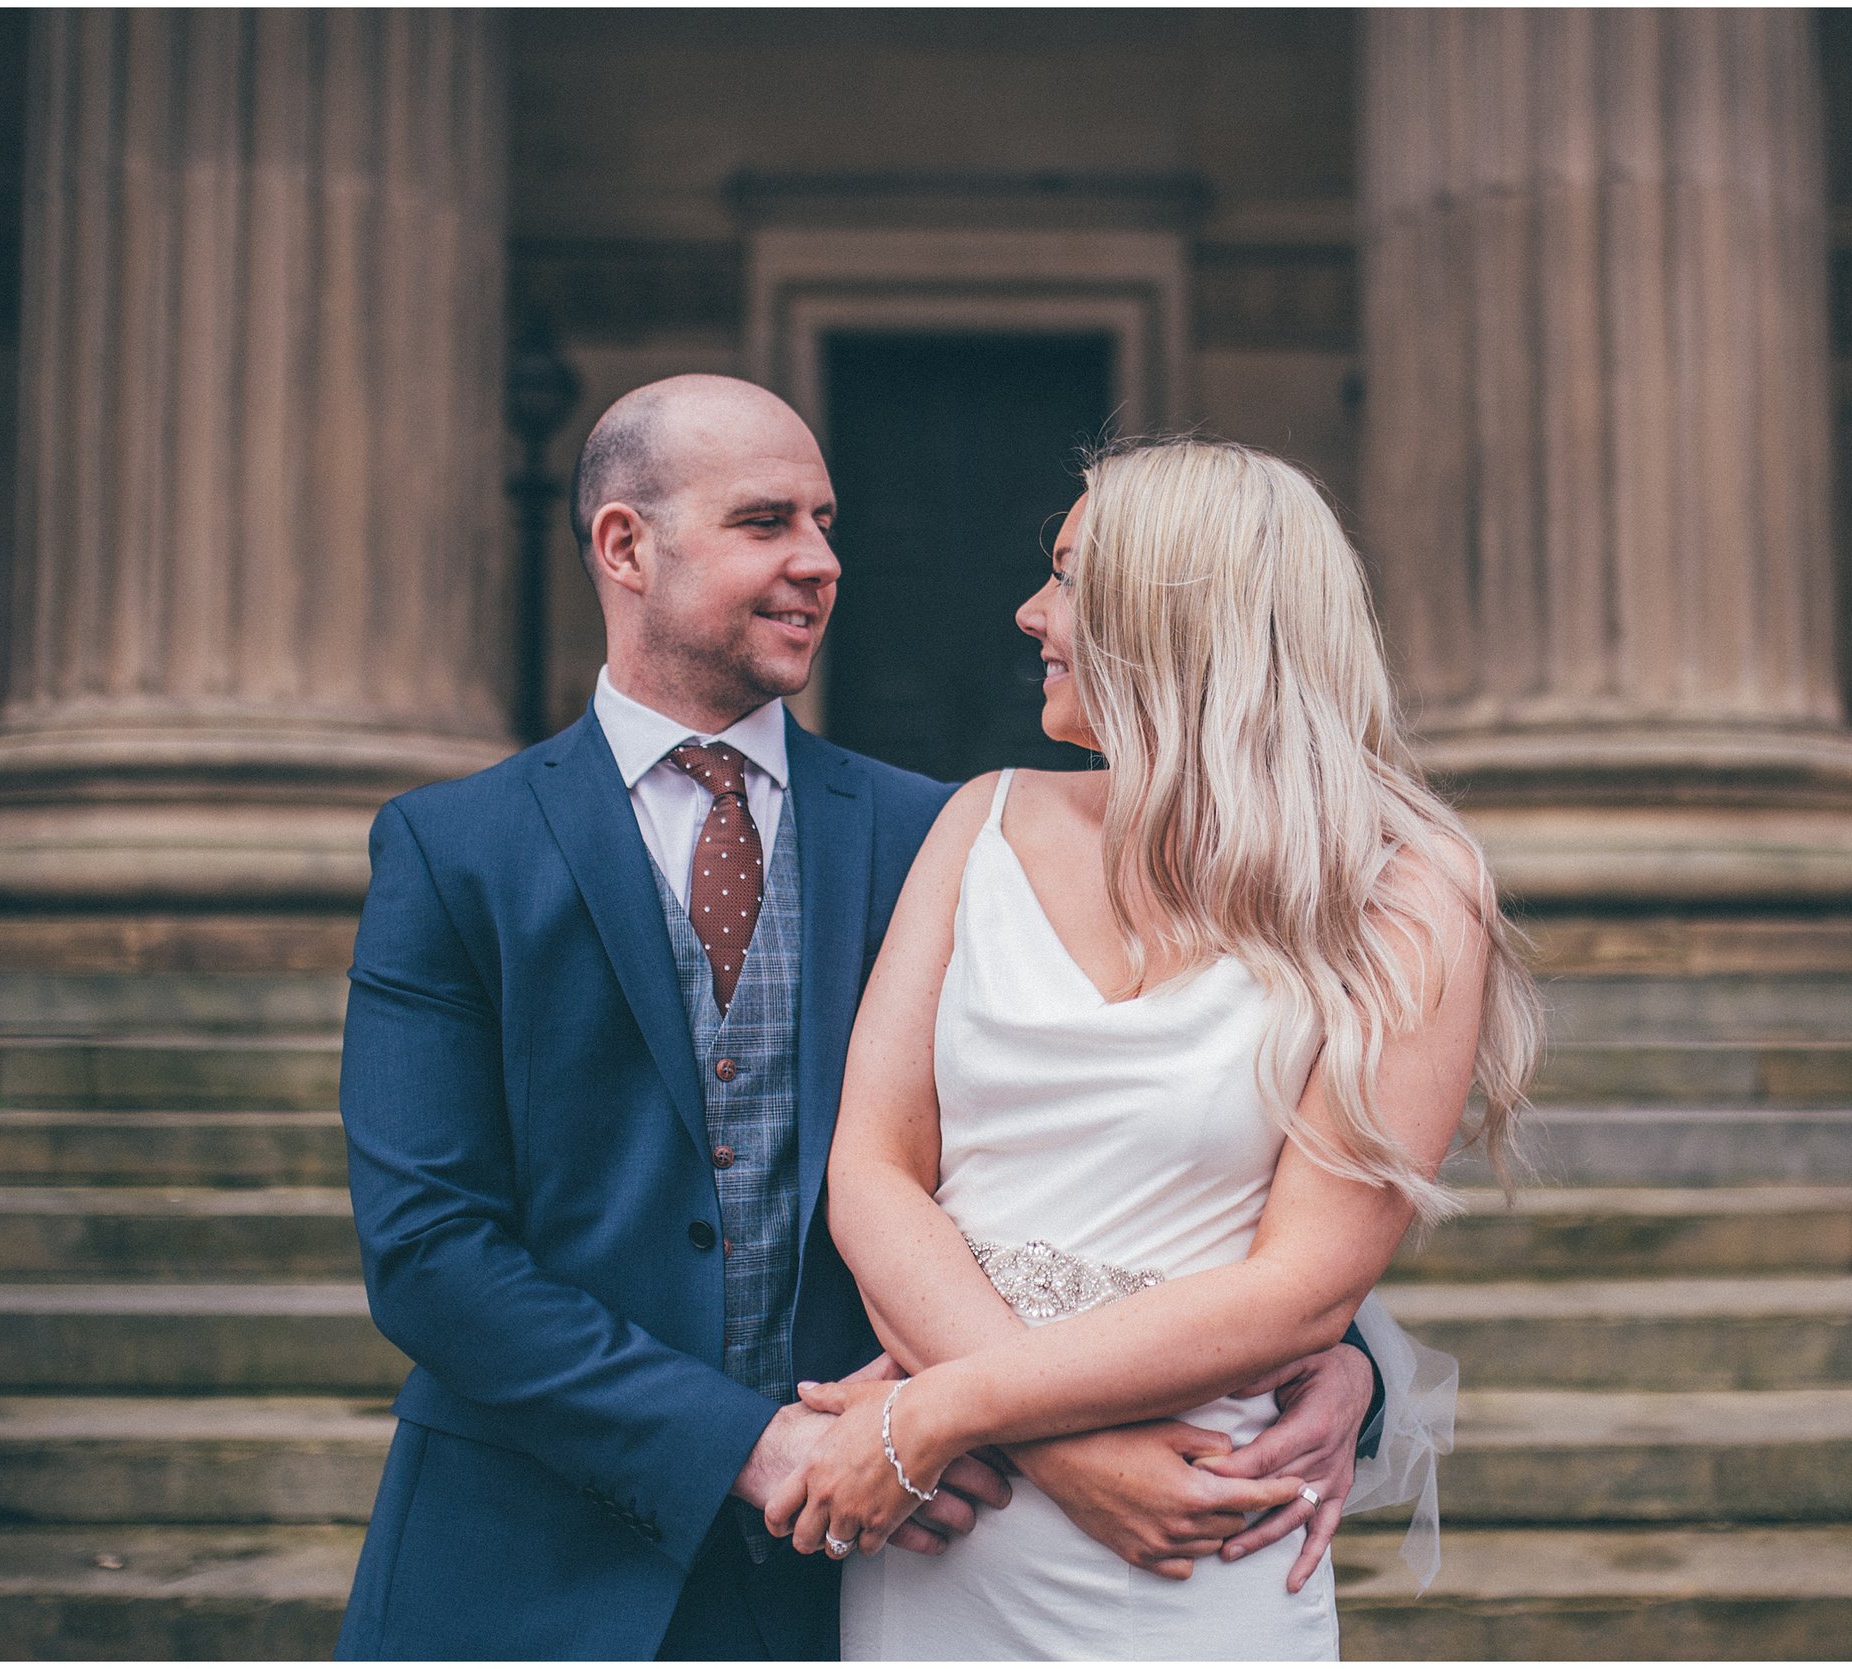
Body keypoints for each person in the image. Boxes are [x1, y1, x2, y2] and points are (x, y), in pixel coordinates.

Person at [334, 378, 1397, 1660]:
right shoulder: (455, 851)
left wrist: (1345, 1356)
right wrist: (757, 1441)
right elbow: (432, 1251)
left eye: (827, 520)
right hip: (526, 1562)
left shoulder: (948, 833)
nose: (821, 562)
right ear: (626, 546)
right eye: (766, 521)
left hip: (874, 1566)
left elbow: (1149, 1136)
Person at [777, 437, 1542, 1659]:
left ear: (1182, 612)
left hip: (1194, 1531)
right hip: (951, 1540)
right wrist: (1051, 1449)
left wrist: (940, 1410)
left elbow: (1307, 1285)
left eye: (1071, 578)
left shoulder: (1404, 889)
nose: (1031, 612)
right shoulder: (981, 820)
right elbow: (872, 1171)